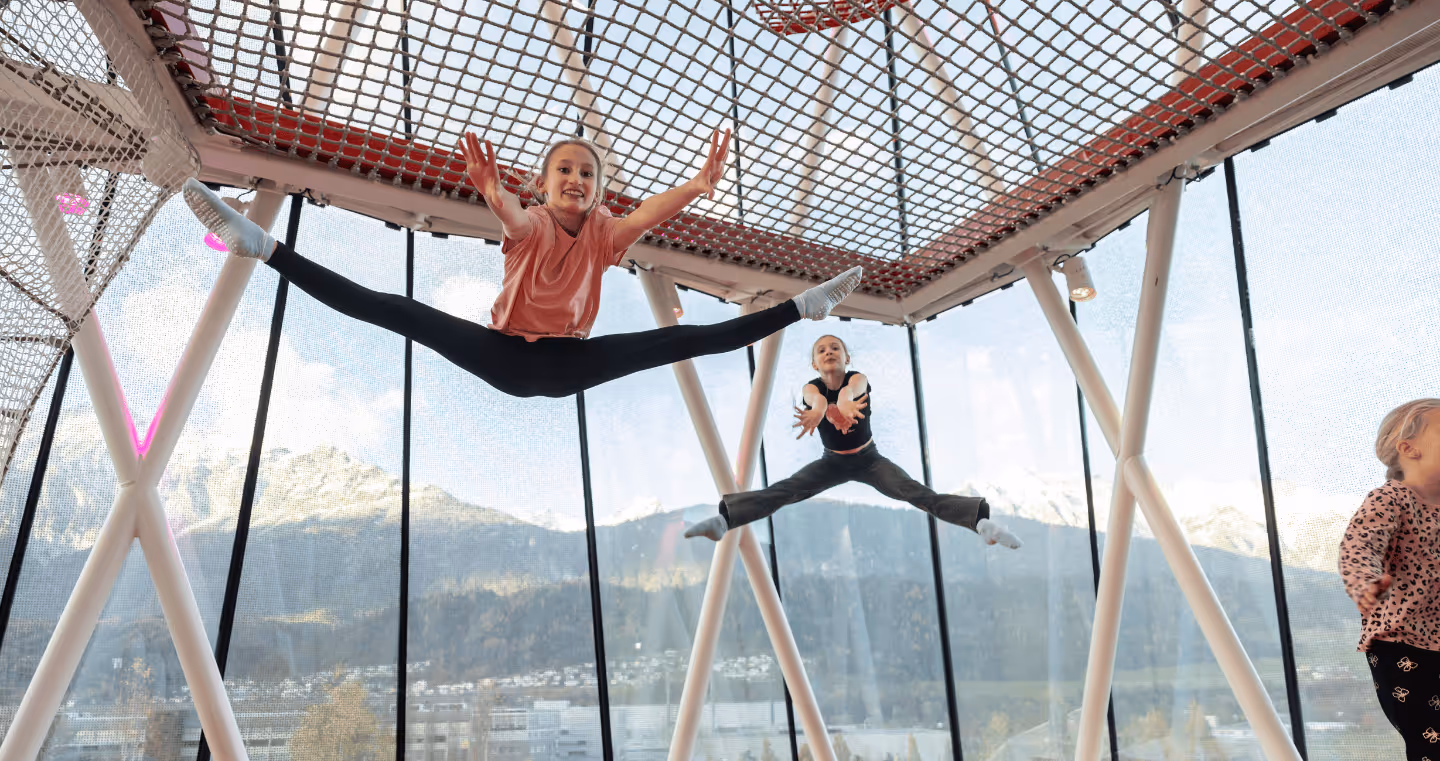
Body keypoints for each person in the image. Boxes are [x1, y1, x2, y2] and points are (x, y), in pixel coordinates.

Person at [181, 128, 862, 398]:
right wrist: (489, 191)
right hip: (504, 355)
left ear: (598, 190)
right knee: (397, 310)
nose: (575, 179)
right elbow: (510, 217)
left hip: (567, 363)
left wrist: (697, 188)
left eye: (587, 174)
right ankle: (263, 246)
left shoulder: (603, 234)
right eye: (564, 170)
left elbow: (648, 214)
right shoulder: (532, 221)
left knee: (684, 340)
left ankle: (806, 306)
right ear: (544, 184)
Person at [684, 334, 1021, 548]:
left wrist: (843, 402)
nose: (829, 352)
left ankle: (980, 523)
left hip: (869, 460)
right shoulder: (810, 388)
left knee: (916, 493)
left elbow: (851, 390)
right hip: (832, 462)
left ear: (846, 358)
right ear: (814, 363)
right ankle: (724, 520)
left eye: (835, 348)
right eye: (821, 350)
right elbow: (815, 401)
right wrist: (821, 410)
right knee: (786, 490)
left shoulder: (857, 379)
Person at [1340, 398, 1440, 760]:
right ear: (1408, 449)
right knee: (1432, 742)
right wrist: (1364, 581)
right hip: (1402, 644)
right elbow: (1359, 545)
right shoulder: (1391, 498)